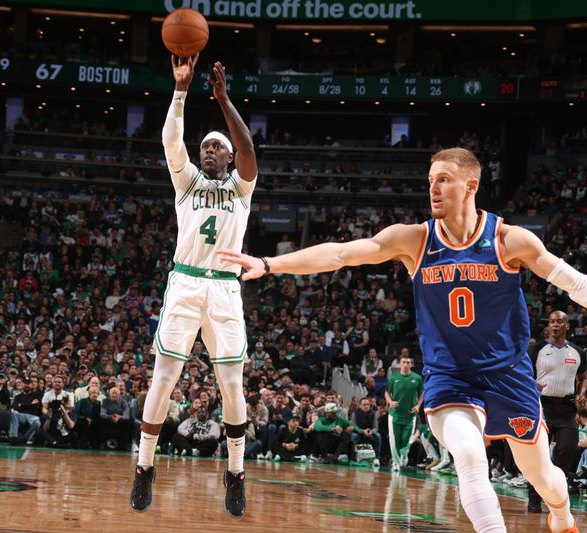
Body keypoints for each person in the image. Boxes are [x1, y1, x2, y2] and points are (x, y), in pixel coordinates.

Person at [219, 147, 582, 533]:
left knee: (544, 478)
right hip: (451, 377)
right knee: (470, 459)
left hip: (508, 375)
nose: (434, 188)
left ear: (471, 185)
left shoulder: (510, 240)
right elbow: (341, 254)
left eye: (443, 179)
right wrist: (269, 264)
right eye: (430, 181)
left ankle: (561, 514)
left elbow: (573, 282)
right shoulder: (415, 240)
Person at [131, 53, 258, 518]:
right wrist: (181, 91)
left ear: (227, 156)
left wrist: (224, 100)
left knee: (231, 385)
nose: (207, 149)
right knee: (163, 378)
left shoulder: (242, 188)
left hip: (224, 288)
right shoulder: (186, 183)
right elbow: (170, 141)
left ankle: (236, 473)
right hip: (185, 284)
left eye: (214, 146)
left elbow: (249, 151)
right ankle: (144, 466)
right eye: (203, 145)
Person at [527, 310, 587, 513]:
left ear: (567, 326)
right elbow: (522, 373)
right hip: (541, 407)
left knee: (566, 450)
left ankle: (553, 492)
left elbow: (583, 377)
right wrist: (531, 384)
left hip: (566, 408)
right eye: (552, 321)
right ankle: (534, 500)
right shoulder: (537, 349)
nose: (555, 325)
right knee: (538, 456)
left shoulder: (577, 351)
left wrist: (581, 393)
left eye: (560, 321)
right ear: (548, 325)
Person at [385, 354, 423, 471]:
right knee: (394, 440)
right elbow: (386, 393)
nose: (406, 364)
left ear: (411, 365)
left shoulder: (417, 378)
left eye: (408, 362)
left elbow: (421, 394)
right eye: (404, 362)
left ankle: (403, 455)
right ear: (400, 364)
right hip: (394, 414)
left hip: (410, 415)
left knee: (406, 440)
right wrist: (390, 402)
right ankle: (396, 462)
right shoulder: (393, 378)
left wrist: (418, 405)